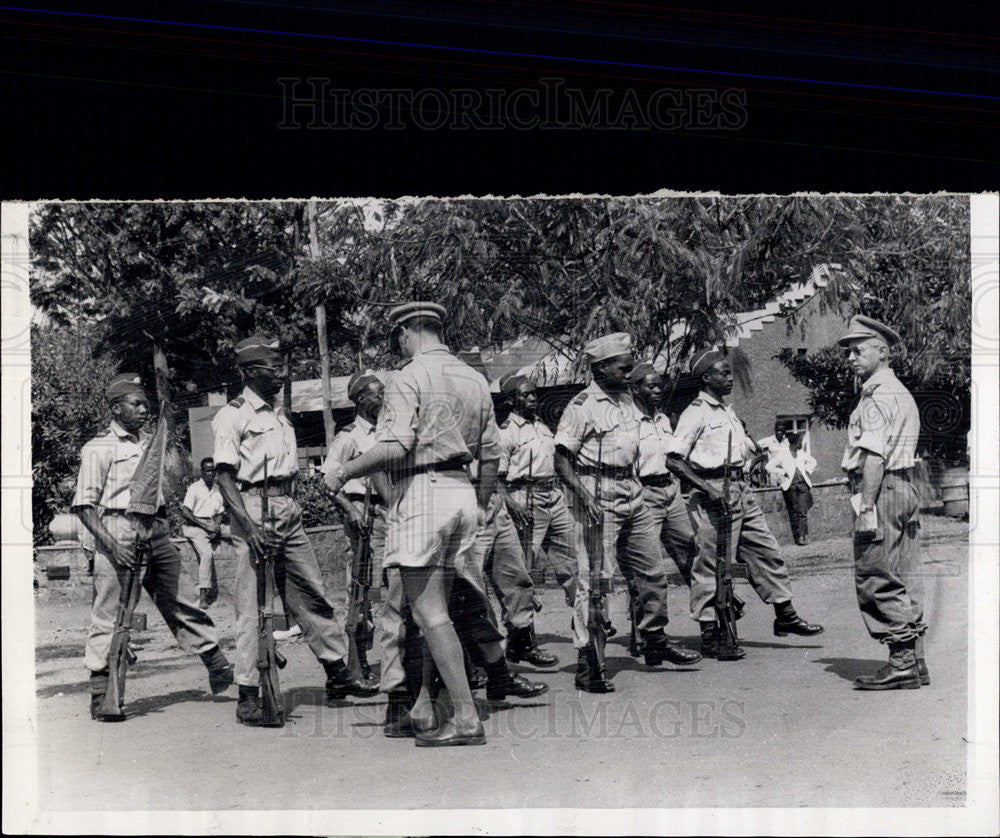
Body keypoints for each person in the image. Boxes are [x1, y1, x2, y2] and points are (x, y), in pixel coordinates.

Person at [326, 303, 546, 747]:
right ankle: (424, 706)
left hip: (422, 491)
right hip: (462, 492)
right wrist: (479, 502)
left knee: (427, 612)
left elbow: (395, 445)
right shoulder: (472, 377)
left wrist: (345, 471)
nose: (399, 343)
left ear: (408, 332)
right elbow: (490, 452)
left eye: (399, 336)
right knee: (440, 608)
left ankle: (465, 717)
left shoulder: (408, 376)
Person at [212, 335, 377, 727]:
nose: (281, 375)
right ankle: (248, 693)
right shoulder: (232, 416)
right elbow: (224, 477)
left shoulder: (279, 415)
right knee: (253, 606)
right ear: (251, 372)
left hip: (287, 507)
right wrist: (249, 527)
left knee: (311, 591)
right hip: (254, 506)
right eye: (273, 369)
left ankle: (339, 673)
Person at [72, 373, 233, 722]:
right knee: (110, 614)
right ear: (116, 408)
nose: (144, 409)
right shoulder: (99, 448)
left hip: (155, 528)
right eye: (136, 403)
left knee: (182, 597)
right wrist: (113, 547)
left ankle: (216, 662)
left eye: (146, 402)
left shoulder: (151, 444)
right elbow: (84, 507)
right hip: (117, 528)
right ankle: (102, 694)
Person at [554, 333, 702, 694]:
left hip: (632, 489)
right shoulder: (583, 405)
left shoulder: (626, 401)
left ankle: (653, 638)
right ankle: (591, 663)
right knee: (597, 581)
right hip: (596, 492)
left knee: (652, 569)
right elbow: (561, 460)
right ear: (601, 367)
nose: (628, 372)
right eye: (623, 367)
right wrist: (583, 494)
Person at [666, 349, 824, 660]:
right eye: (723, 373)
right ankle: (711, 633)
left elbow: (747, 448)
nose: (729, 378)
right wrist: (708, 491)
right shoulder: (695, 412)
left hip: (741, 490)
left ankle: (785, 614)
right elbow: (673, 459)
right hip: (713, 491)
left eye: (730, 373)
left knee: (766, 550)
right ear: (705, 378)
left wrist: (757, 458)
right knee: (712, 565)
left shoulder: (727, 411)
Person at [322, 371, 421, 724]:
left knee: (395, 595)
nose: (384, 399)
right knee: (361, 595)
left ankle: (388, 665)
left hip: (392, 515)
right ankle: (355, 669)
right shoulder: (349, 438)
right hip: (364, 521)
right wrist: (351, 514)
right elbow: (328, 481)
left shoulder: (388, 430)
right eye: (378, 394)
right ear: (361, 398)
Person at [838, 315, 926, 690]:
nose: (851, 358)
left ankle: (902, 661)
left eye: (858, 351)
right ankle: (916, 660)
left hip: (884, 487)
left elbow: (874, 457)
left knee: (875, 574)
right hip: (906, 486)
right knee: (903, 574)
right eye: (849, 352)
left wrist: (866, 507)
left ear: (882, 351)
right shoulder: (898, 391)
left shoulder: (876, 396)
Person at [180, 457, 228, 608]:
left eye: (212, 470)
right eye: (207, 470)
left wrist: (216, 526)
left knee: (238, 536)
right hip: (194, 525)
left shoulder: (217, 489)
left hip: (210, 524)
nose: (210, 474)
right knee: (206, 554)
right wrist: (206, 527)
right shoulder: (194, 488)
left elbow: (220, 512)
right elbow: (186, 513)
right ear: (202, 472)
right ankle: (203, 596)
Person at [765, 431, 817, 545]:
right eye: (800, 442)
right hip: (790, 485)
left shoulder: (802, 453)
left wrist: (807, 470)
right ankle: (797, 535)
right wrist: (783, 473)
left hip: (803, 484)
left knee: (803, 511)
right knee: (794, 510)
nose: (801, 444)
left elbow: (813, 462)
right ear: (795, 443)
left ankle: (802, 537)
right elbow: (769, 466)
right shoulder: (783, 454)